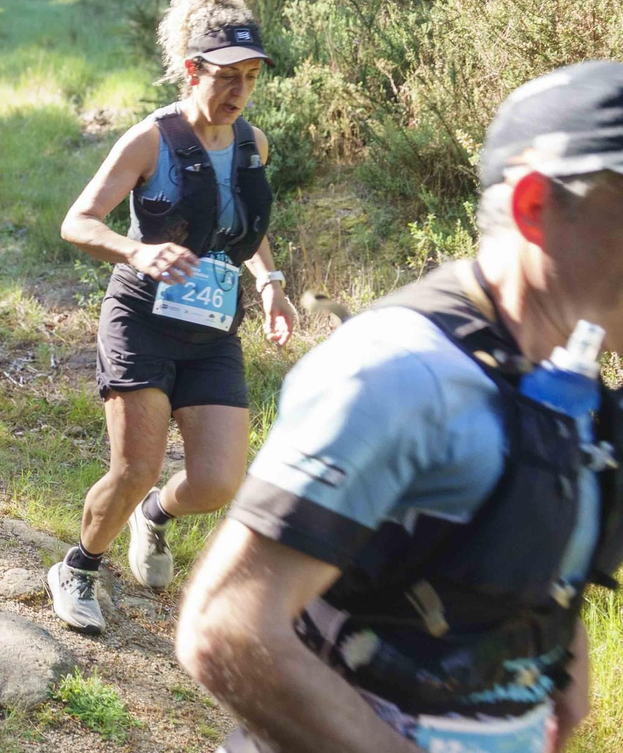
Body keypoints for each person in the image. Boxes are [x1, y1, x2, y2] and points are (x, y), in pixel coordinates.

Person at [177, 61, 623, 753]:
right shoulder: (399, 373)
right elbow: (227, 624)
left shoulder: (566, 368)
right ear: (535, 206)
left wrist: (559, 655)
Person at [48, 0, 295, 635]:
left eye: (249, 79)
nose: (239, 92)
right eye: (226, 77)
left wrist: (270, 282)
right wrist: (138, 251)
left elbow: (244, 228)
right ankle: (78, 567)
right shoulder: (151, 140)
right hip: (142, 322)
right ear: (192, 71)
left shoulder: (252, 144)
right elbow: (77, 222)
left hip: (214, 332)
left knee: (217, 482)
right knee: (134, 468)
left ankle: (155, 516)